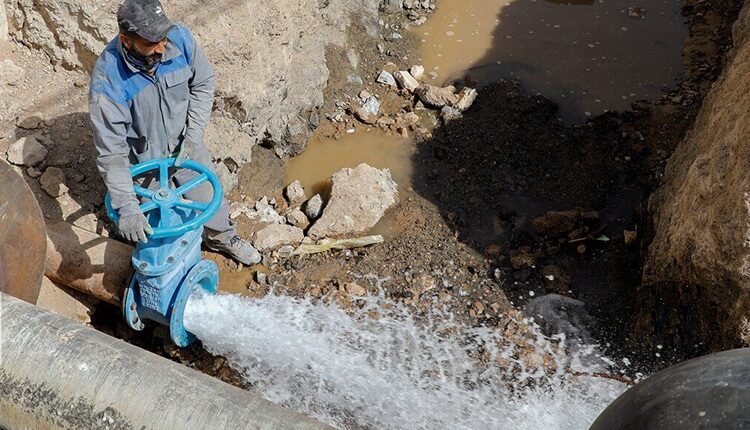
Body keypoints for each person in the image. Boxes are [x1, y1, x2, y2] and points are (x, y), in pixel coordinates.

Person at [89, 0, 261, 265]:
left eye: (163, 38)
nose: (161, 47)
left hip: (186, 146)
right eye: (150, 42)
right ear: (126, 40)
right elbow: (112, 152)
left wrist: (193, 135)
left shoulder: (180, 40)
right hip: (145, 163)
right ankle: (174, 262)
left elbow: (203, 83)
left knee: (210, 200)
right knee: (161, 227)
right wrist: (127, 207)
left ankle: (223, 238)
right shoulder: (108, 81)